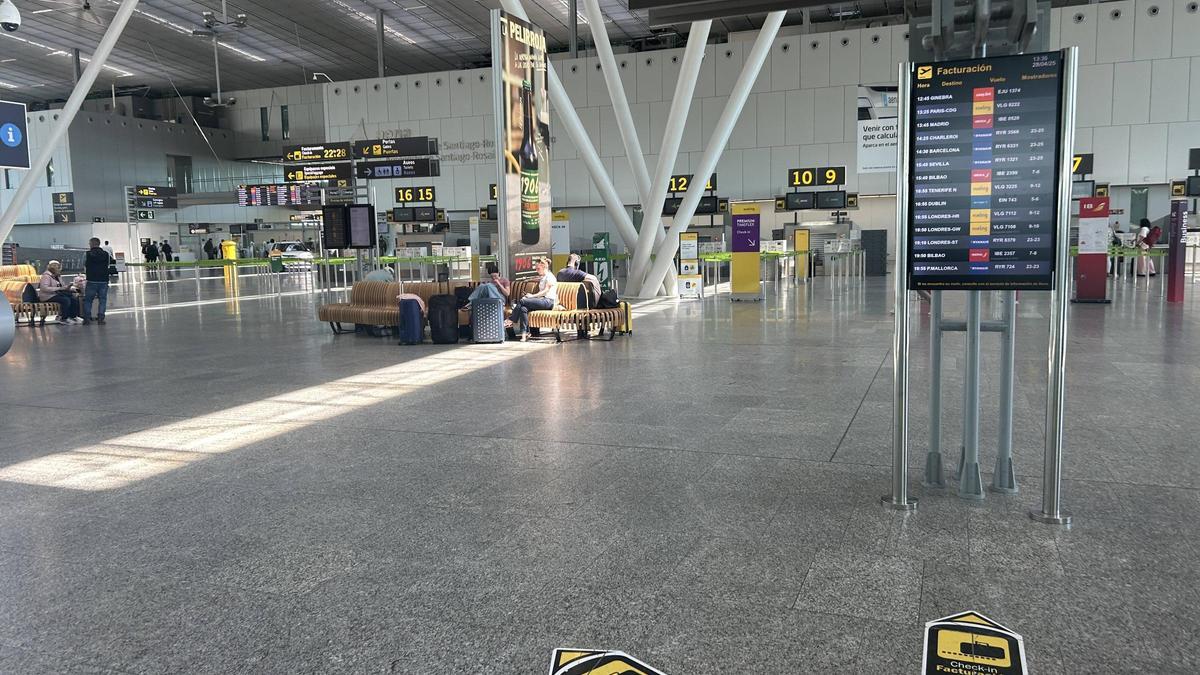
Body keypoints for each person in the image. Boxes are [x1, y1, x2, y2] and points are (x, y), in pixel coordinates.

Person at [512, 257, 557, 341]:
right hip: (542, 300)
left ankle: (512, 319)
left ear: (544, 267)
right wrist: (531, 293)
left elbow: (545, 291)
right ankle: (524, 334)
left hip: (548, 302)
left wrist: (532, 296)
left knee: (523, 300)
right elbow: (537, 280)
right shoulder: (543, 277)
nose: (537, 270)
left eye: (538, 268)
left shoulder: (550, 277)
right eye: (536, 268)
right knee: (523, 308)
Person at [37, 260, 82, 324]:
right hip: (47, 296)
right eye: (59, 269)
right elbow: (44, 288)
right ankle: (63, 318)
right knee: (65, 300)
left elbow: (62, 286)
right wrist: (59, 288)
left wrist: (69, 288)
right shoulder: (46, 276)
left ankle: (73, 316)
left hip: (57, 294)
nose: (60, 271)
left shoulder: (58, 276)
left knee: (73, 298)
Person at [82, 237, 114, 324]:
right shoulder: (106, 254)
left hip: (91, 280)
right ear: (99, 244)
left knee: (88, 300)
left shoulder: (87, 254)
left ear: (92, 244)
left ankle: (87, 318)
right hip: (103, 280)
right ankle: (100, 318)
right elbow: (107, 264)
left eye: (89, 243)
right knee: (102, 300)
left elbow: (84, 264)